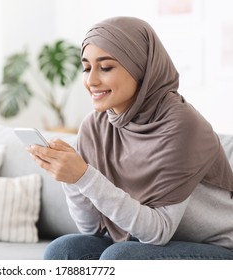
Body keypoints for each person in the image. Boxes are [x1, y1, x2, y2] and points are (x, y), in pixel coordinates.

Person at [27, 16, 233, 260]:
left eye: (105, 67)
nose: (91, 81)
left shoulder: (182, 126)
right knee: (62, 251)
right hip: (143, 242)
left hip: (217, 248)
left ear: (141, 67)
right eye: (86, 67)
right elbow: (91, 229)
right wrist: (71, 179)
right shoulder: (95, 126)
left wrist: (84, 176)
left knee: (120, 258)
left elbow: (158, 232)